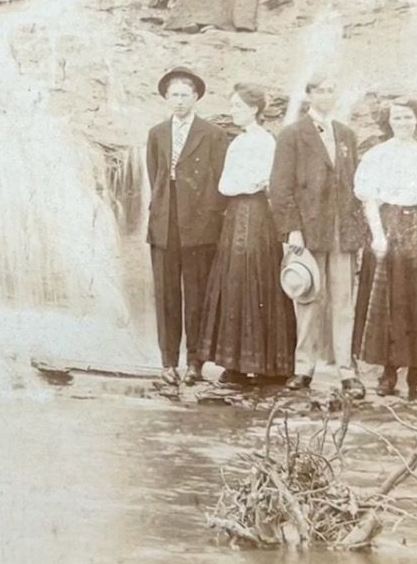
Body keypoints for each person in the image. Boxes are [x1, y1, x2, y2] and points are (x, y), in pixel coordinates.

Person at [269, 73, 369, 398]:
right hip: (309, 230)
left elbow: (355, 185)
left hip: (342, 230)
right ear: (309, 94)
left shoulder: (347, 135)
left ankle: (346, 370)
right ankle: (303, 367)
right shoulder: (292, 135)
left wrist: (359, 230)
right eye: (320, 90)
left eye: (331, 90)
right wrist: (293, 230)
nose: (326, 96)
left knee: (343, 303)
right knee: (309, 298)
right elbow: (280, 188)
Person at [198, 84, 296, 385]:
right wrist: (242, 183)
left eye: (239, 106)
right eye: (232, 105)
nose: (233, 111)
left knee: (255, 277)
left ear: (254, 109)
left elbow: (263, 182)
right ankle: (235, 363)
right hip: (236, 213)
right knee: (234, 278)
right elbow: (225, 185)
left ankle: (267, 363)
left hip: (257, 215)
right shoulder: (238, 142)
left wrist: (245, 183)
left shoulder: (265, 141)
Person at [356, 96, 417, 399]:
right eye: (397, 118)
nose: (403, 123)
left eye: (408, 118)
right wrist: (378, 236)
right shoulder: (377, 154)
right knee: (388, 300)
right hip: (389, 225)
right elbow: (369, 199)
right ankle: (387, 372)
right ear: (389, 122)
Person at [145, 67, 229, 385]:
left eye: (185, 95)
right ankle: (168, 362)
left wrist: (209, 217)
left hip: (199, 226)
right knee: (166, 294)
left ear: (195, 98)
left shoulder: (213, 134)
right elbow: (155, 176)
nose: (179, 101)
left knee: (196, 294)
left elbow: (219, 180)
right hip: (165, 224)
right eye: (174, 95)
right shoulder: (156, 133)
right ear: (166, 98)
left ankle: (195, 361)